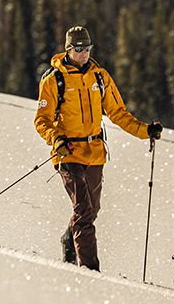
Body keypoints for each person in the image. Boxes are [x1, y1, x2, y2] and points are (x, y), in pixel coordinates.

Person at [34, 25, 162, 271]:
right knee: (83, 210)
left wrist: (145, 131)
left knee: (92, 209)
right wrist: (55, 138)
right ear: (68, 50)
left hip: (95, 152)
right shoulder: (54, 79)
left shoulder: (100, 77)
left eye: (87, 48)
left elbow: (117, 112)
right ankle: (90, 270)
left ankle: (68, 238)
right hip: (67, 153)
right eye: (78, 49)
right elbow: (42, 120)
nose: (83, 53)